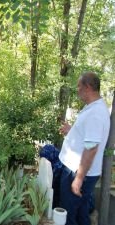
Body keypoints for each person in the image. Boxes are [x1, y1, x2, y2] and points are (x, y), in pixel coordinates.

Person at [58, 72, 110, 225]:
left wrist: (79, 179)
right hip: (79, 171)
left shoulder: (96, 113)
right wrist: (72, 130)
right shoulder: (93, 108)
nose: (77, 90)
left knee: (69, 214)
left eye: (79, 87)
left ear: (87, 87)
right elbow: (87, 137)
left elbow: (91, 148)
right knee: (81, 213)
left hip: (78, 173)